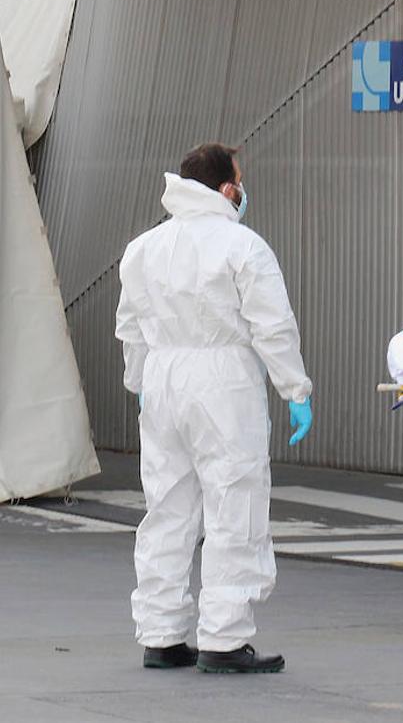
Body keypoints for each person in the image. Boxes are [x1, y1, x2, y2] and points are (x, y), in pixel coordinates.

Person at [116, 143, 313, 673]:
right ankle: (224, 640)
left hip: (162, 380)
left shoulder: (142, 249)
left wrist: (141, 380)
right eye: (240, 181)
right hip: (222, 382)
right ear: (228, 189)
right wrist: (295, 390)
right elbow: (272, 325)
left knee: (167, 507)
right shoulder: (242, 246)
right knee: (234, 504)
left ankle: (161, 635)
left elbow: (130, 327)